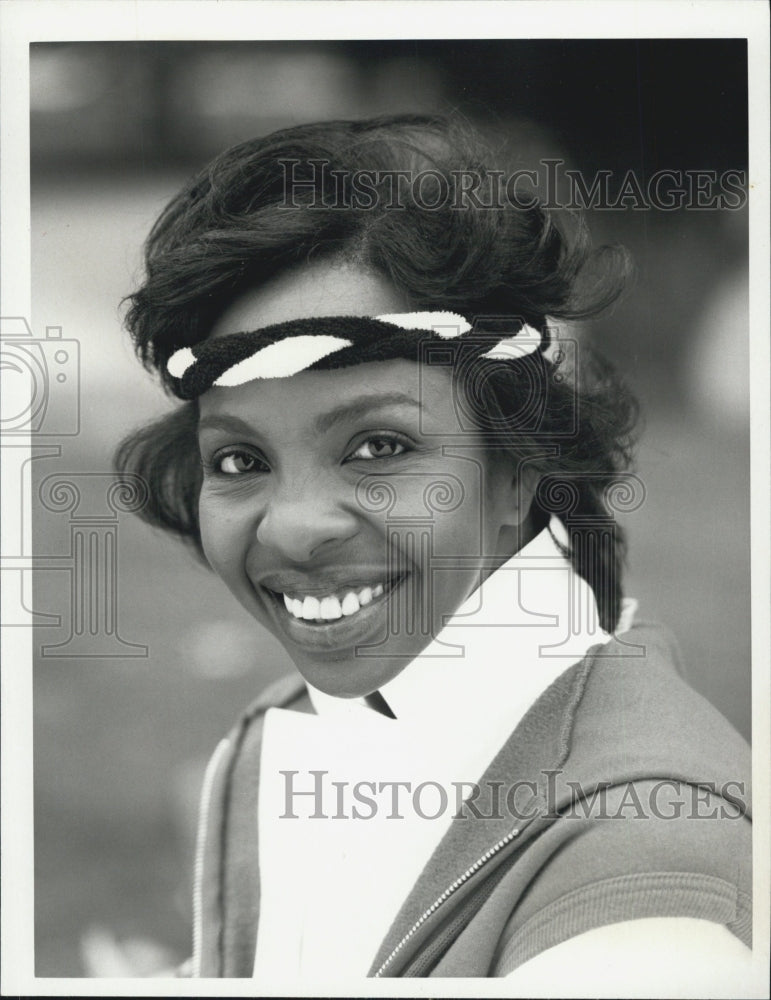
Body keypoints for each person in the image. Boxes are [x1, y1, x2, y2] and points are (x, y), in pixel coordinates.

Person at [115, 115, 752, 988]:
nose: (292, 527)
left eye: (378, 446)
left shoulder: (641, 868)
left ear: (517, 468)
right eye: (240, 460)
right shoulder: (280, 737)